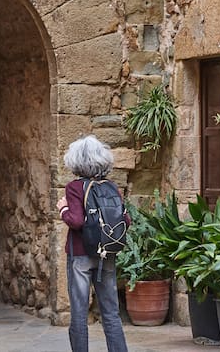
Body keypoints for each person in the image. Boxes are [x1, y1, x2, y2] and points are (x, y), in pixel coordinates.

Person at [56, 135, 129, 352]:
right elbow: (126, 221)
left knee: (79, 314)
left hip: (80, 255)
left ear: (75, 161)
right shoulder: (111, 187)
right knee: (111, 313)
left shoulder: (74, 188)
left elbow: (76, 221)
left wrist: (63, 209)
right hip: (106, 253)